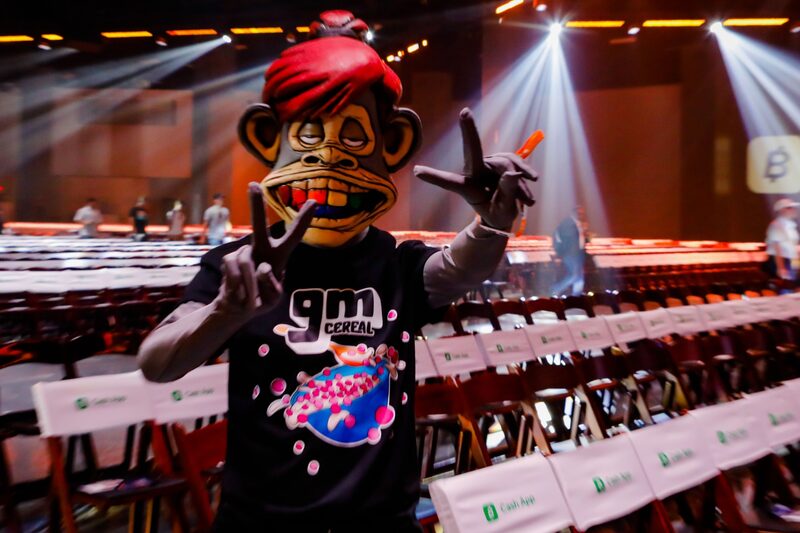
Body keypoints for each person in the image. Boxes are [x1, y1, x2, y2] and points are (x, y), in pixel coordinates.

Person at [137, 10, 537, 532]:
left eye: (353, 138)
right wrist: (224, 314)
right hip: (263, 520)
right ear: (267, 139)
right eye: (307, 136)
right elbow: (157, 363)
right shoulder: (238, 266)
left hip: (380, 519)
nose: (328, 156)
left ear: (388, 146)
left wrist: (491, 224)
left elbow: (459, 269)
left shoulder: (395, 261)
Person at [551, 205, 588, 296]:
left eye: (582, 213)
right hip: (570, 253)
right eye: (579, 213)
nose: (581, 215)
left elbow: (581, 239)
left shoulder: (577, 223)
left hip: (578, 253)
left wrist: (583, 232)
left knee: (579, 277)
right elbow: (567, 239)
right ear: (573, 213)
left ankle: (576, 296)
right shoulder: (568, 223)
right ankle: (555, 289)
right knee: (574, 275)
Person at [765, 198, 800, 281]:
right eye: (790, 208)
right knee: (787, 286)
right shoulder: (777, 226)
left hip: (792, 261)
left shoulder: (791, 226)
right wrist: (781, 267)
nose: (794, 210)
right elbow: (777, 248)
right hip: (784, 261)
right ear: (782, 210)